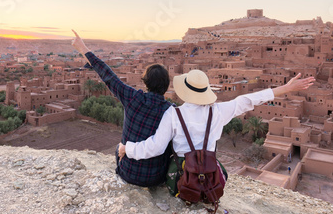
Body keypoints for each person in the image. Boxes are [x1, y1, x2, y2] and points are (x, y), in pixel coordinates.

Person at [118, 69, 315, 191]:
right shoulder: (218, 112)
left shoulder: (173, 114)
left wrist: (128, 149)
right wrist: (286, 89)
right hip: (210, 177)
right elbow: (250, 100)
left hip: (182, 180)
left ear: (184, 90)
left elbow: (156, 147)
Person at [71, 30, 173, 187]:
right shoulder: (171, 110)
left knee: (120, 147)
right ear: (166, 86)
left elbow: (108, 75)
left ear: (145, 82)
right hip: (156, 177)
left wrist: (83, 48)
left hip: (128, 173)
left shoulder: (132, 98)